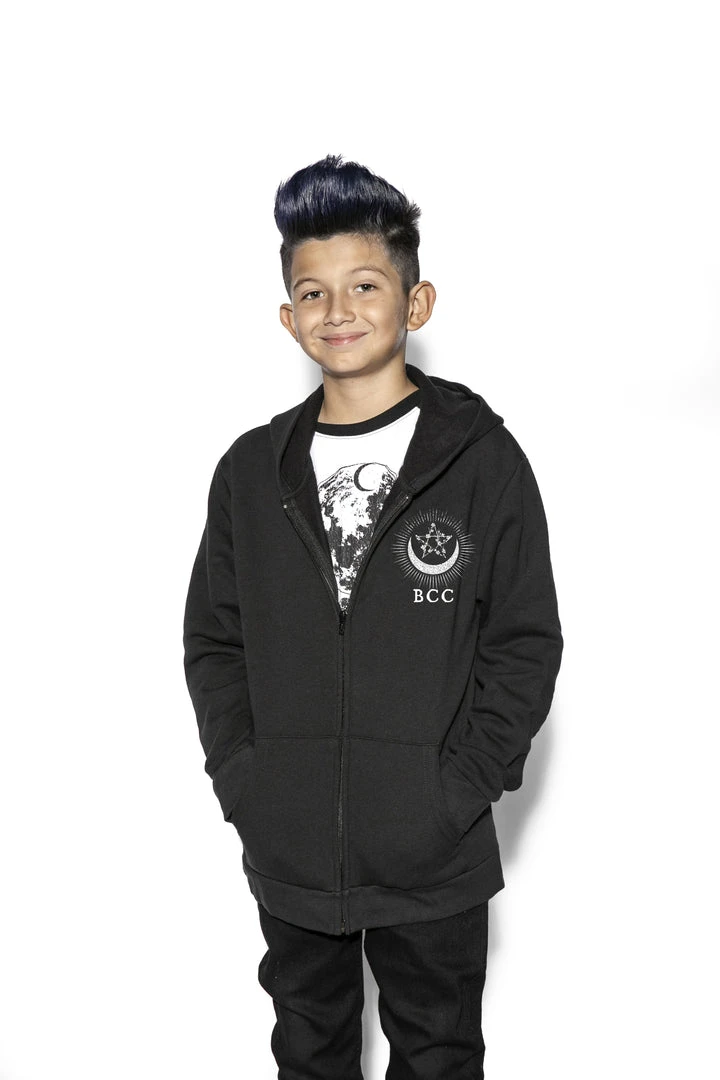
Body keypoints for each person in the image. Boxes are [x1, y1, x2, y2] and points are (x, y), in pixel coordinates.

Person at [182, 154, 563, 1079]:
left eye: (364, 285)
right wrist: (247, 782)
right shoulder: (249, 472)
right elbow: (214, 640)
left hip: (434, 854)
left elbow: (523, 642)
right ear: (288, 317)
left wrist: (455, 792)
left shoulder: (482, 463)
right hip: (292, 851)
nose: (337, 310)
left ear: (415, 302)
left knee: (437, 1056)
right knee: (308, 1054)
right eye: (312, 292)